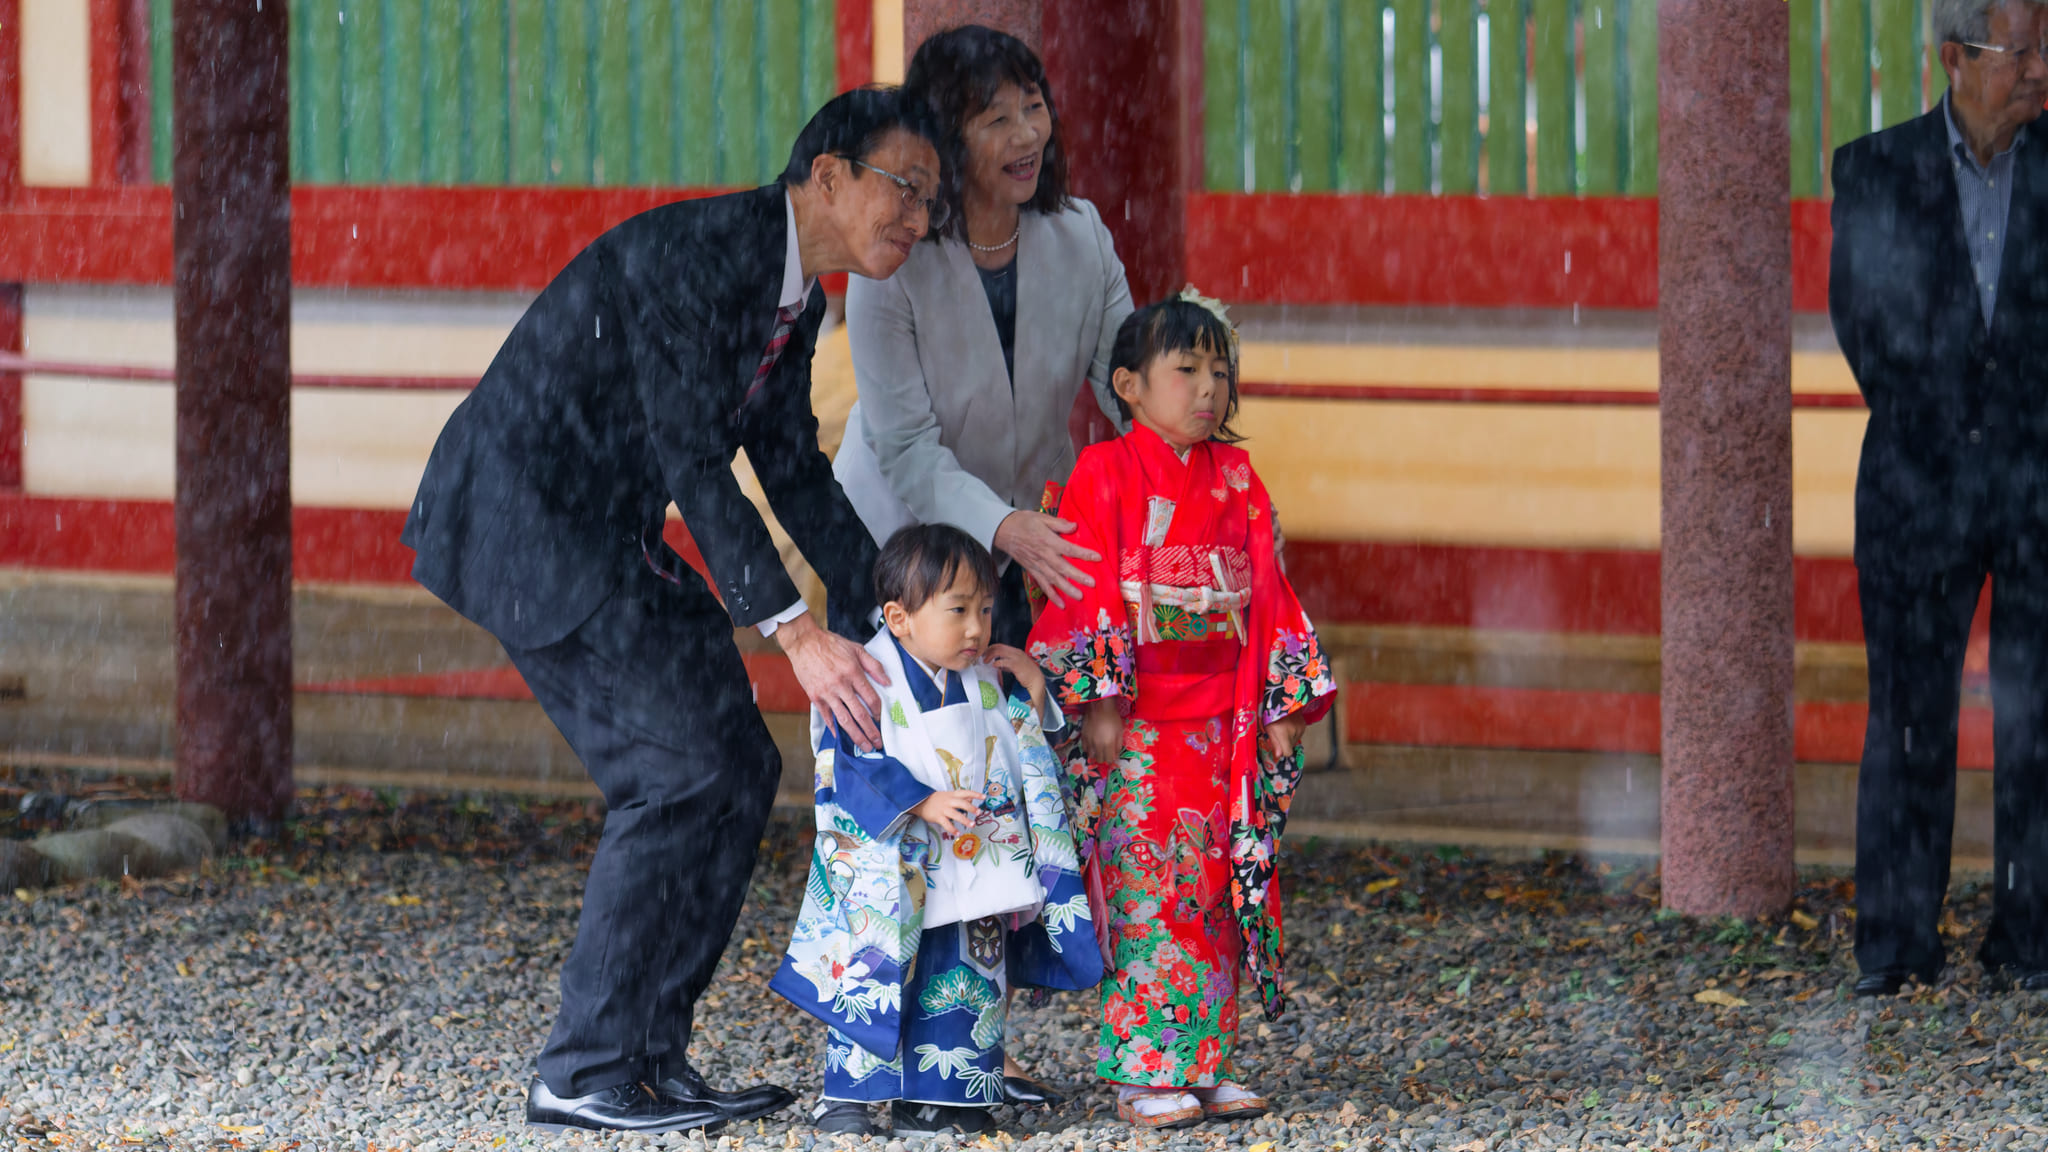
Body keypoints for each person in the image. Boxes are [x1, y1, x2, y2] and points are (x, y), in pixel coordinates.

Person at [401, 89, 941, 1135]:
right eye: (906, 189)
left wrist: (898, 607)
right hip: (527, 523)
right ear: (826, 175)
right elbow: (693, 453)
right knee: (672, 773)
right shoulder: (699, 253)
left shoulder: (797, 298)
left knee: (737, 769)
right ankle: (583, 1066)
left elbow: (789, 468)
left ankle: (649, 1056)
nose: (919, 220)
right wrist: (795, 633)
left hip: (606, 530)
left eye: (929, 201)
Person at [1025, 293, 1336, 1129]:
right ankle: (1142, 1069)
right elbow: (1088, 588)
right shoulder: (1105, 471)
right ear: (1127, 384)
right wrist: (1099, 699)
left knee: (1217, 884)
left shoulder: (1237, 478)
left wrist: (1280, 701)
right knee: (1148, 892)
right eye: (1186, 370)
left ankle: (1206, 1063)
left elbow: (1266, 595)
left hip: (1224, 719)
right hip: (1141, 722)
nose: (1209, 389)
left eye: (1220, 371)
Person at [1831, 0, 2048, 997]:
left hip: (2040, 484)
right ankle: (1896, 948)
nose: (2040, 67)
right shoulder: (1873, 170)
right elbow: (1867, 333)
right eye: (2023, 48)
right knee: (1908, 718)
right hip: (1916, 484)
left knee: (2037, 715)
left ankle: (2029, 938)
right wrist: (1960, 438)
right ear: (1954, 57)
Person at [772, 524, 1100, 1138]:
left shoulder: (985, 675)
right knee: (874, 968)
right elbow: (846, 763)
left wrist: (1032, 690)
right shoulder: (867, 677)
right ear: (899, 618)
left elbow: (1027, 748)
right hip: (893, 862)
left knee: (964, 972)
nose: (977, 628)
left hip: (973, 860)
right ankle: (846, 1097)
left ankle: (948, 1094)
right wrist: (919, 801)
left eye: (984, 609)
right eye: (958, 611)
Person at [838, 24, 1134, 654]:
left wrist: (1214, 487)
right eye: (997, 119)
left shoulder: (1083, 236)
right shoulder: (893, 254)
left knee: (1026, 737)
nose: (1027, 135)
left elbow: (1132, 389)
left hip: (1032, 539)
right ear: (946, 137)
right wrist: (1002, 526)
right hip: (899, 540)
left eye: (1034, 107)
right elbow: (908, 448)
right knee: (910, 740)